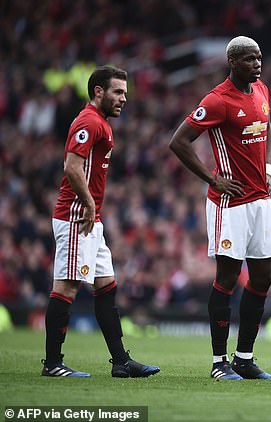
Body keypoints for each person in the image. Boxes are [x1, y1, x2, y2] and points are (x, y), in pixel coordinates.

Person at [169, 36, 271, 381]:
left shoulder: (261, 90)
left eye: (259, 58)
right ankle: (219, 362)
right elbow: (179, 141)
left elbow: (267, 127)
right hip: (230, 203)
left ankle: (244, 359)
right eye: (249, 59)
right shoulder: (217, 100)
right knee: (228, 278)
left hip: (261, 199)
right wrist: (212, 179)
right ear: (232, 62)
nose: (257, 64)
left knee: (263, 277)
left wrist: (268, 169)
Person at [43, 65, 160, 378]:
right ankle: (52, 363)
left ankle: (121, 361)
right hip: (76, 216)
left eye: (125, 92)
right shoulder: (89, 121)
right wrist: (88, 202)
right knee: (67, 288)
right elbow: (71, 166)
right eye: (118, 92)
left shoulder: (101, 123)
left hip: (90, 218)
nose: (124, 98)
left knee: (106, 286)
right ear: (98, 91)